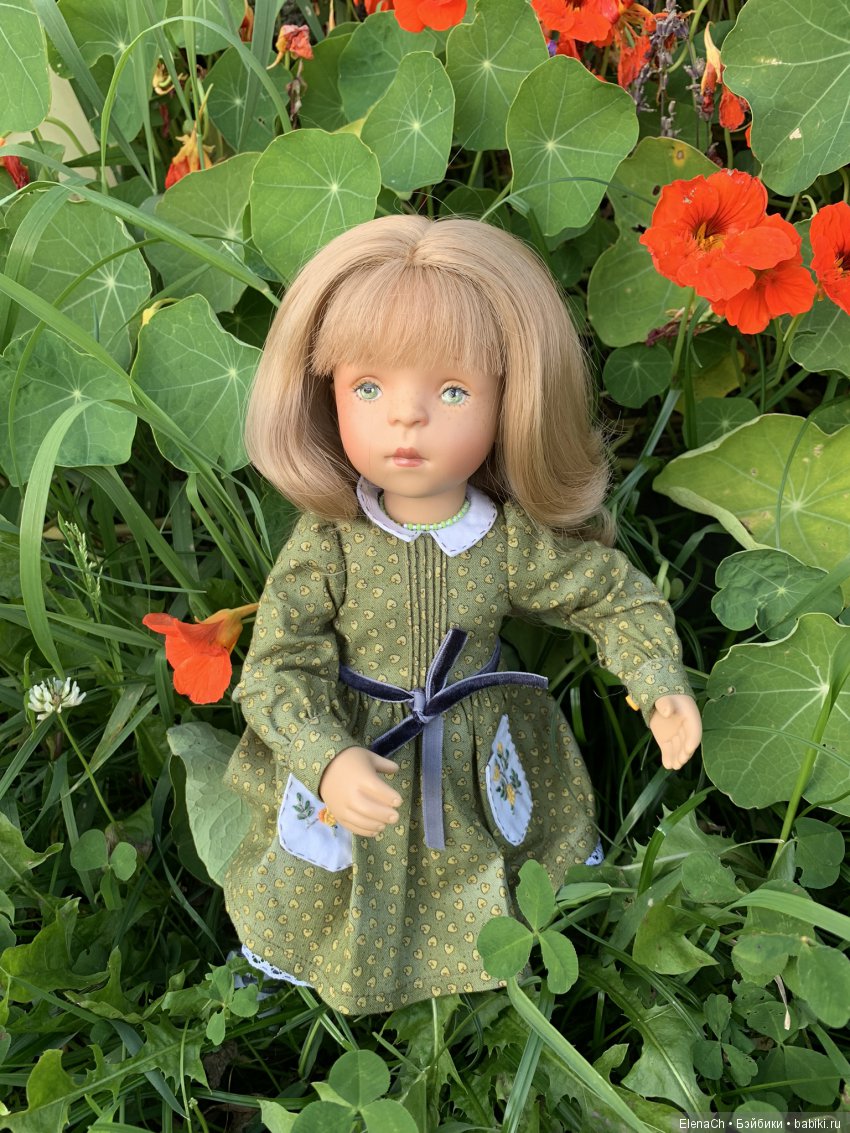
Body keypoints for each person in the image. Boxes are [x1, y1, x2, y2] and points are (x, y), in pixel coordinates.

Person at [221, 215, 701, 1016]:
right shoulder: (330, 544)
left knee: (496, 858)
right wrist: (326, 755)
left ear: (512, 401)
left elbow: (608, 591)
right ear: (323, 394)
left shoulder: (505, 540)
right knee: (325, 877)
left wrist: (657, 677)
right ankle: (297, 973)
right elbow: (275, 666)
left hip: (475, 748)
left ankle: (486, 969)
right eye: (367, 388)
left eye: (452, 391)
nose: (406, 417)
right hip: (357, 744)